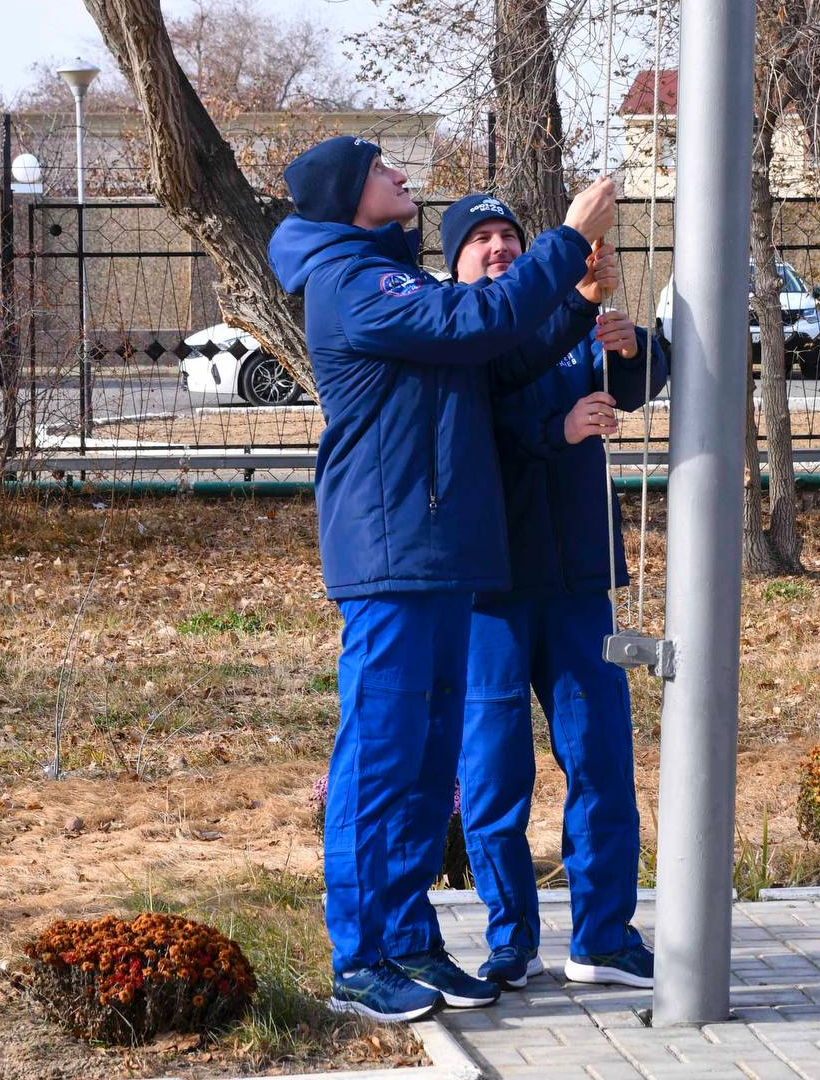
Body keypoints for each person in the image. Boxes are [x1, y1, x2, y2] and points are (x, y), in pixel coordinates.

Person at [267, 138, 622, 1023]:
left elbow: (493, 355)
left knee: (428, 768)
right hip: (392, 555)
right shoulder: (352, 281)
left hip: (442, 553)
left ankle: (411, 941)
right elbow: (472, 325)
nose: (401, 177)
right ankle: (360, 959)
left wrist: (575, 308)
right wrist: (565, 242)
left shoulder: (395, 277)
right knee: (378, 761)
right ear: (352, 196)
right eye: (384, 169)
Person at [441, 192, 668, 994]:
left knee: (600, 760)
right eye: (481, 240)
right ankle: (511, 944)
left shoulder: (565, 318)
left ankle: (602, 938)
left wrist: (630, 340)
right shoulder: (458, 332)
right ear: (455, 262)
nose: (499, 248)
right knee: (496, 777)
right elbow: (478, 434)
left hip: (578, 584)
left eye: (509, 235)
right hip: (493, 594)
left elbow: (641, 381)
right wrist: (557, 432)